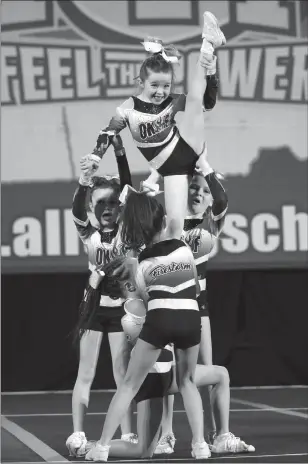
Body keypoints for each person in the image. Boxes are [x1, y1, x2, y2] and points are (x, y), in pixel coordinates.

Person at [84, 188, 210, 461]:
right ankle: (200, 446)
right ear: (164, 220)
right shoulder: (184, 249)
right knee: (188, 381)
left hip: (161, 319)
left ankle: (102, 447)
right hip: (191, 317)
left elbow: (143, 299)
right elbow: (195, 291)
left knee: (129, 385)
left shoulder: (141, 263)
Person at [84, 267, 255, 460]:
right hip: (152, 381)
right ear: (130, 285)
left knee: (220, 374)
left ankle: (221, 437)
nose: (144, 274)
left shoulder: (138, 304)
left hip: (163, 375)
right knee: (143, 450)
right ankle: (94, 446)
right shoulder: (136, 308)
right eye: (138, 272)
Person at [92, 11, 226, 251]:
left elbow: (207, 102)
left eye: (166, 86)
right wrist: (95, 156)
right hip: (172, 169)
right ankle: (156, 265)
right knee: (174, 230)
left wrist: (212, 74)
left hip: (184, 148)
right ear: (141, 83)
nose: (161, 91)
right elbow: (108, 133)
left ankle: (208, 43)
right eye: (154, 85)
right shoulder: (128, 109)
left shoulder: (172, 102)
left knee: (194, 99)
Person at [66, 136, 138, 457]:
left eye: (112, 204)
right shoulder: (89, 233)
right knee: (86, 372)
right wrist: (84, 181)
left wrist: (119, 150)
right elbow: (77, 209)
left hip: (123, 310)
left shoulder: (127, 231)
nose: (107, 209)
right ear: (94, 208)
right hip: (94, 309)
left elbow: (126, 185)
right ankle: (78, 433)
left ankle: (129, 433)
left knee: (123, 373)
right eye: (101, 205)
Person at [154, 149, 228, 453]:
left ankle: (218, 435)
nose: (198, 193)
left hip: (199, 308)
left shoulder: (211, 225)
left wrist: (205, 165)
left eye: (205, 190)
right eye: (193, 187)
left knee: (207, 370)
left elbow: (223, 201)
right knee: (165, 372)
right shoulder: (169, 222)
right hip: (169, 306)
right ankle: (166, 434)